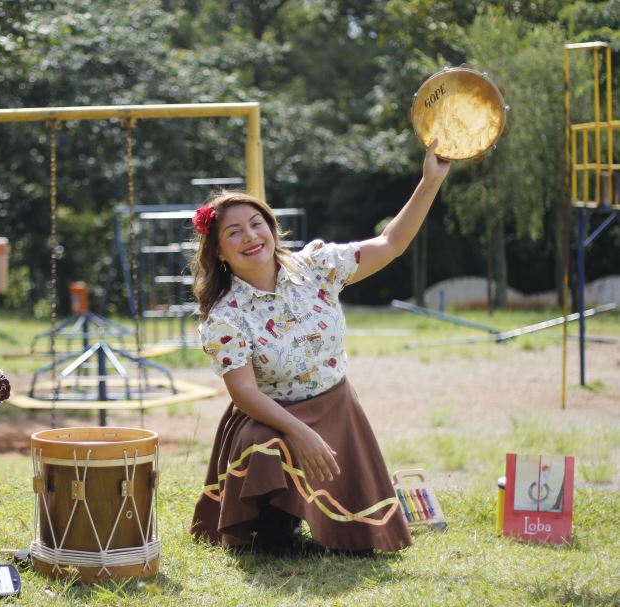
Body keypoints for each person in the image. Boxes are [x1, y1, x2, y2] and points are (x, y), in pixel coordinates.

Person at [189, 142, 450, 555]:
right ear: (219, 251)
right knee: (262, 444)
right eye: (233, 232)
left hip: (337, 411)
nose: (250, 237)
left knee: (362, 546)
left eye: (257, 223)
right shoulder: (224, 315)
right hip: (270, 418)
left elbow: (390, 243)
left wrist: (430, 179)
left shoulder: (318, 266)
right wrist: (298, 431)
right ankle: (271, 531)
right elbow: (245, 393)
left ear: (272, 229)